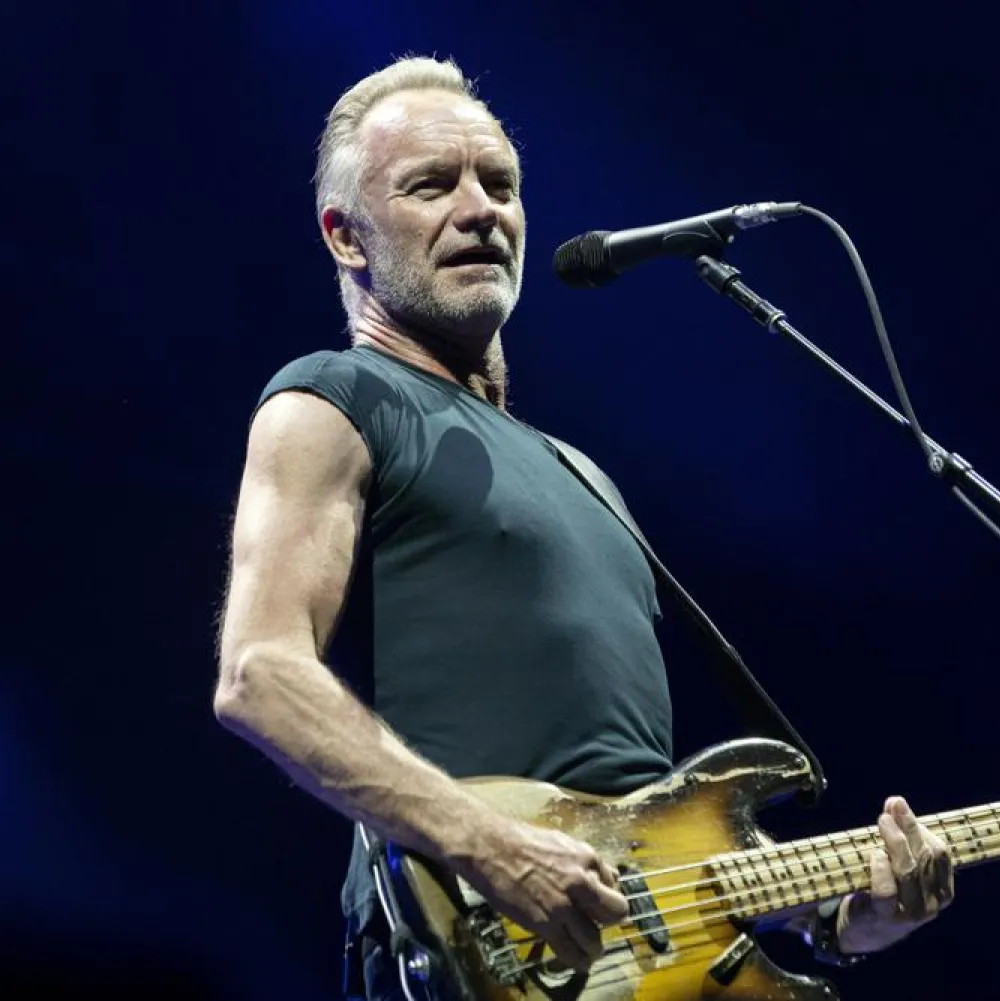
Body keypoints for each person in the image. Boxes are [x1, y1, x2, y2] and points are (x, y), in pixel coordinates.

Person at [212, 55, 954, 999]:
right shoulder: (333, 399)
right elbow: (259, 675)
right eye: (432, 185)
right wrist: (485, 842)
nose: (482, 209)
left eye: (501, 184)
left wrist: (851, 920)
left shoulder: (586, 475)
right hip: (478, 956)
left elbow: (656, 829)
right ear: (346, 237)